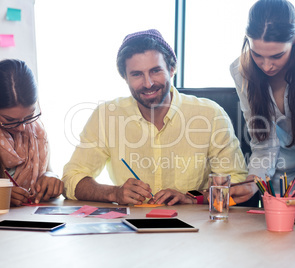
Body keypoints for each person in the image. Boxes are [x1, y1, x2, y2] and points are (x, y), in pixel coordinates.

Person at [62, 29, 251, 206]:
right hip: (131, 231)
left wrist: (192, 197)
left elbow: (237, 182)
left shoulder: (211, 115)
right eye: (137, 74)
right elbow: (71, 179)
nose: (148, 83)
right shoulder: (106, 115)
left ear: (171, 69)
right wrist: (114, 193)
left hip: (196, 230)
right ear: (125, 77)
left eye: (155, 71)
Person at [230, 0, 295, 209]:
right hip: (278, 169)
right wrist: (254, 183)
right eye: (257, 55)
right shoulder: (240, 70)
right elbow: (263, 142)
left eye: (277, 56)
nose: (267, 66)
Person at [0, 59, 64, 206]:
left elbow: (48, 170)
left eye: (29, 117)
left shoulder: (36, 132)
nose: (22, 128)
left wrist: (50, 177)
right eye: (10, 120)